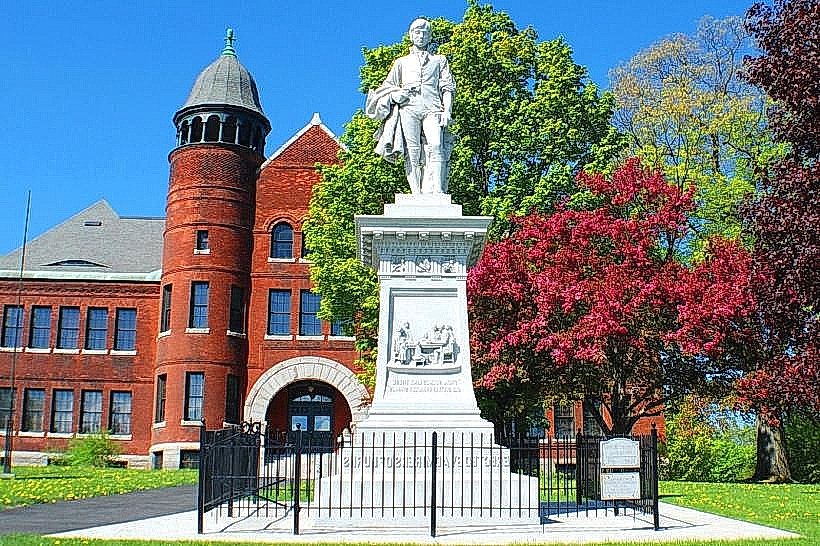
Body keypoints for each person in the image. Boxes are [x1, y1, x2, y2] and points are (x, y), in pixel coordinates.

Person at [365, 18, 456, 195]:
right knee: (412, 151)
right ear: (411, 35)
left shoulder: (439, 60)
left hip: (433, 108)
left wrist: (447, 111)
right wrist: (396, 94)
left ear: (430, 36)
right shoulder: (401, 62)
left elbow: (447, 87)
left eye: (424, 32)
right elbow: (386, 87)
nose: (421, 36)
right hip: (409, 108)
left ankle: (437, 189)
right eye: (417, 32)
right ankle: (416, 192)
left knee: (436, 145)